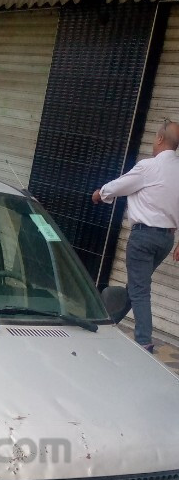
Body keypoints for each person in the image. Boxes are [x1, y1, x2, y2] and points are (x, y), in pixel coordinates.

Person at [92, 120, 179, 352]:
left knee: (139, 290)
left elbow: (120, 186)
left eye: (154, 138)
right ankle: (109, 321)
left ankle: (144, 343)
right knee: (135, 287)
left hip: (144, 238)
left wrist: (100, 194)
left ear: (160, 139)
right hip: (166, 240)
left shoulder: (148, 167)